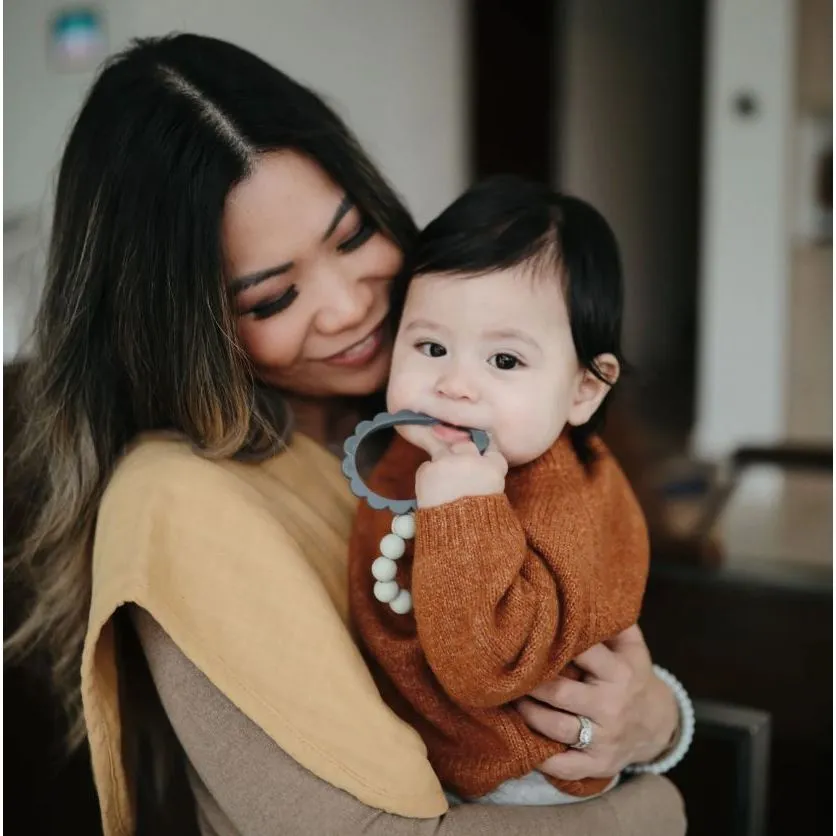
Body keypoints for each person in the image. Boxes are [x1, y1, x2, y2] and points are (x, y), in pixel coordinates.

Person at [5, 34, 688, 836]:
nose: (348, 306)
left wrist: (657, 720)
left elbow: (595, 636)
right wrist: (661, 807)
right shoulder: (179, 506)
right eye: (270, 298)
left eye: (354, 236)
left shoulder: (462, 397)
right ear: (179, 329)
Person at [349, 175, 652, 806]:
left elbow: (487, 666)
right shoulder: (419, 448)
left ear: (583, 391)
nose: (454, 384)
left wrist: (464, 510)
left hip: (522, 773)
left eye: (505, 361)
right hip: (442, 751)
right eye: (431, 346)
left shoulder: (560, 499)